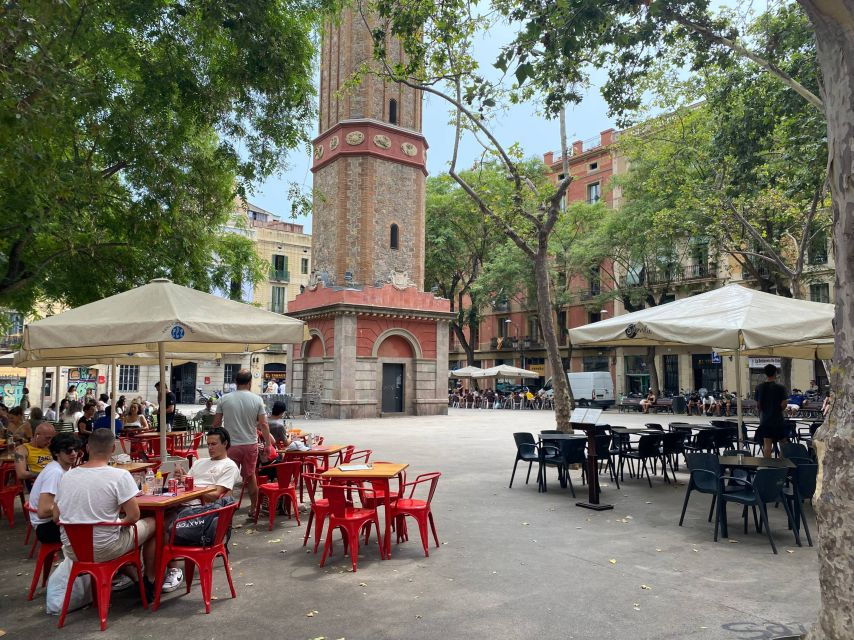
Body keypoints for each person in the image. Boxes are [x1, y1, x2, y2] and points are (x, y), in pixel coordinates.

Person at [54, 428, 161, 599]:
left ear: (87, 448)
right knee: (155, 523)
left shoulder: (67, 476)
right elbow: (133, 516)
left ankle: (135, 575)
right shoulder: (120, 475)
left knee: (122, 531)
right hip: (106, 548)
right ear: (113, 449)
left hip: (73, 550)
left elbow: (55, 516)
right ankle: (150, 580)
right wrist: (117, 523)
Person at [213, 369, 272, 517]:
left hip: (230, 445)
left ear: (235, 382)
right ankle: (253, 509)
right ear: (250, 382)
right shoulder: (257, 399)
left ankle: (227, 511)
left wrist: (215, 443)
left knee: (228, 479)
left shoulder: (224, 399)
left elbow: (216, 424)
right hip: (250, 444)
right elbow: (263, 425)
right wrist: (268, 445)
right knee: (250, 477)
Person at [28, 433, 81, 544]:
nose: (73, 454)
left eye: (76, 450)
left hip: (53, 522)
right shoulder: (55, 472)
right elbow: (43, 511)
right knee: (95, 532)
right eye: (68, 451)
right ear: (56, 453)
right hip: (46, 527)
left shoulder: (64, 468)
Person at [173, 427, 240, 505]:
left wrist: (191, 486)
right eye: (208, 444)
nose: (210, 448)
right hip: (179, 502)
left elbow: (215, 496)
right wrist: (181, 479)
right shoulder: (199, 462)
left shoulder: (230, 466)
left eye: (213, 444)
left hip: (198, 509)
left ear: (225, 443)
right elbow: (187, 485)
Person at [755, 364, 789, 457]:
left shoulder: (759, 387)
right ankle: (782, 465)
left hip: (765, 420)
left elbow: (758, 405)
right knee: (783, 444)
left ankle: (768, 466)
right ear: (775, 373)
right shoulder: (781, 387)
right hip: (778, 420)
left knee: (767, 445)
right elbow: (784, 404)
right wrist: (778, 410)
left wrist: (765, 411)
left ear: (765, 374)